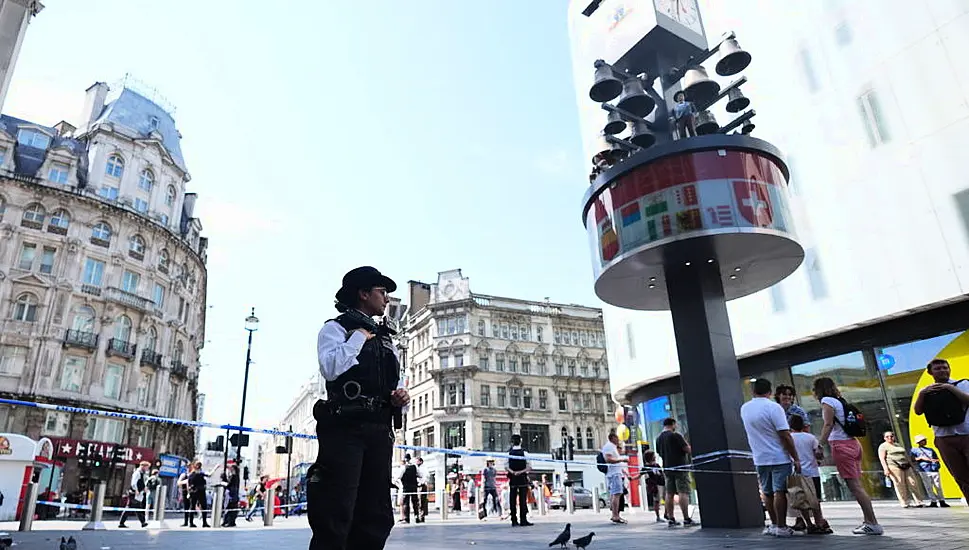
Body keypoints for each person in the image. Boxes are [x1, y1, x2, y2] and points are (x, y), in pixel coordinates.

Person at [308, 266, 410, 550]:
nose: (387, 299)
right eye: (382, 292)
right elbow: (330, 368)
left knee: (376, 513)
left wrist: (399, 398)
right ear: (363, 293)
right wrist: (358, 337)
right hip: (345, 429)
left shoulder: (386, 339)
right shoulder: (335, 328)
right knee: (336, 509)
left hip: (379, 431)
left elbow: (395, 380)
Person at [814, 377, 882, 535]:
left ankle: (873, 523)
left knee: (856, 487)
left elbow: (828, 424)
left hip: (841, 446)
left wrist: (820, 444)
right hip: (853, 443)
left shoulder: (827, 401)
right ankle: (869, 521)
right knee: (858, 486)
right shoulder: (840, 401)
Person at [740, 379, 801, 538]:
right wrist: (796, 457)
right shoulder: (774, 408)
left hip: (759, 457)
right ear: (770, 392)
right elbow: (785, 435)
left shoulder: (745, 408)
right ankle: (781, 526)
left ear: (753, 391)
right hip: (779, 456)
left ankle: (774, 524)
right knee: (779, 491)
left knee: (767, 492)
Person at [913, 358, 969, 501]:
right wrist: (922, 393)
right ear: (930, 372)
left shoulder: (962, 384)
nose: (943, 370)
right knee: (960, 476)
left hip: (966, 434)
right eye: (938, 369)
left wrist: (950, 388)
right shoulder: (927, 391)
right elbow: (918, 411)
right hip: (944, 438)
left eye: (945, 367)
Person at [788, 414, 830, 534]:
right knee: (815, 500)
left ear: (790, 426)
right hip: (813, 472)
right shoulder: (810, 438)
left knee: (801, 500)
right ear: (803, 425)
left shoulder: (789, 438)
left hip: (797, 472)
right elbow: (818, 455)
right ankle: (819, 522)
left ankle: (808, 523)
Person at [655, 418, 694, 527]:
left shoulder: (658, 438)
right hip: (680, 467)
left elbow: (659, 452)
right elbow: (687, 449)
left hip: (667, 468)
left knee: (669, 493)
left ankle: (671, 518)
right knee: (683, 491)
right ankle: (686, 518)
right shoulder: (676, 435)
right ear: (673, 424)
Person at [878, 432, 924, 508]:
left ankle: (919, 501)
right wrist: (886, 469)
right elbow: (882, 459)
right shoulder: (883, 446)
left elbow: (906, 456)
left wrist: (913, 467)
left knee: (913, 482)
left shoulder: (898, 445)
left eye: (891, 436)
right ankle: (904, 502)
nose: (890, 437)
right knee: (899, 484)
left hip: (906, 465)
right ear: (884, 438)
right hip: (894, 466)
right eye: (887, 436)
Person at [910, 434, 948, 507]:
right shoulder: (914, 450)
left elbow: (937, 459)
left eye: (924, 440)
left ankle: (941, 500)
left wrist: (933, 460)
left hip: (933, 469)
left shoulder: (931, 450)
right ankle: (933, 500)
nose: (924, 441)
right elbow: (912, 459)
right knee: (928, 486)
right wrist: (921, 458)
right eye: (922, 441)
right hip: (924, 470)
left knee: (938, 486)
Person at [601, 431, 628, 524]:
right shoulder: (609, 446)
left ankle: (615, 514)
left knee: (616, 494)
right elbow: (608, 459)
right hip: (614, 473)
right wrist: (622, 459)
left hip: (615, 473)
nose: (618, 440)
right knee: (617, 494)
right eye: (617, 438)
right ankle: (615, 515)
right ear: (612, 438)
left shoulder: (611, 447)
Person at [506, 434, 533, 527]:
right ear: (520, 441)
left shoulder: (508, 453)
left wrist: (513, 472)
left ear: (512, 442)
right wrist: (521, 472)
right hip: (522, 478)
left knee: (512, 500)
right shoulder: (525, 453)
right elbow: (529, 467)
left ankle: (514, 520)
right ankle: (523, 519)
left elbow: (506, 466)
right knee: (523, 499)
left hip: (513, 478)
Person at [119, 461, 150, 528]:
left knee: (134, 507)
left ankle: (142, 522)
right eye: (147, 467)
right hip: (134, 493)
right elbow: (133, 483)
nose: (147, 469)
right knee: (133, 507)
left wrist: (144, 488)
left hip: (137, 494)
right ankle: (142, 522)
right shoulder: (137, 473)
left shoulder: (142, 474)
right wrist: (136, 490)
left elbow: (141, 483)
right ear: (143, 466)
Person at [397, 454, 422, 523]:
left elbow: (398, 477)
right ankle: (417, 517)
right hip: (414, 487)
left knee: (406, 503)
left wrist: (400, 484)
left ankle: (406, 518)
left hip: (406, 487)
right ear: (410, 459)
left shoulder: (403, 467)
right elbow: (420, 475)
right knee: (415, 503)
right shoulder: (415, 466)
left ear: (405, 459)